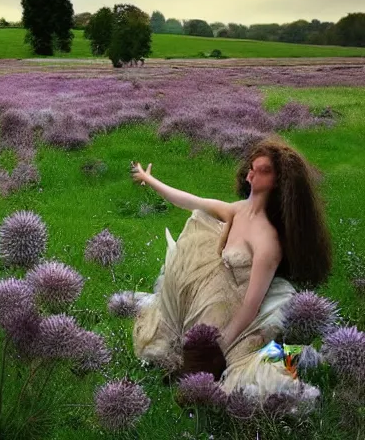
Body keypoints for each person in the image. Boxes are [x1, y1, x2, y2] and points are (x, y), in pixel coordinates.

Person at [129, 135, 332, 399]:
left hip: (238, 311)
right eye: (252, 168)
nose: (253, 174)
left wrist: (221, 344)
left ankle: (306, 357)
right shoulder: (237, 210)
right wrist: (150, 180)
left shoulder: (268, 241)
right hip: (211, 291)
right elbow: (191, 201)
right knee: (200, 218)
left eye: (264, 171)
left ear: (279, 181)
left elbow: (251, 305)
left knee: (247, 378)